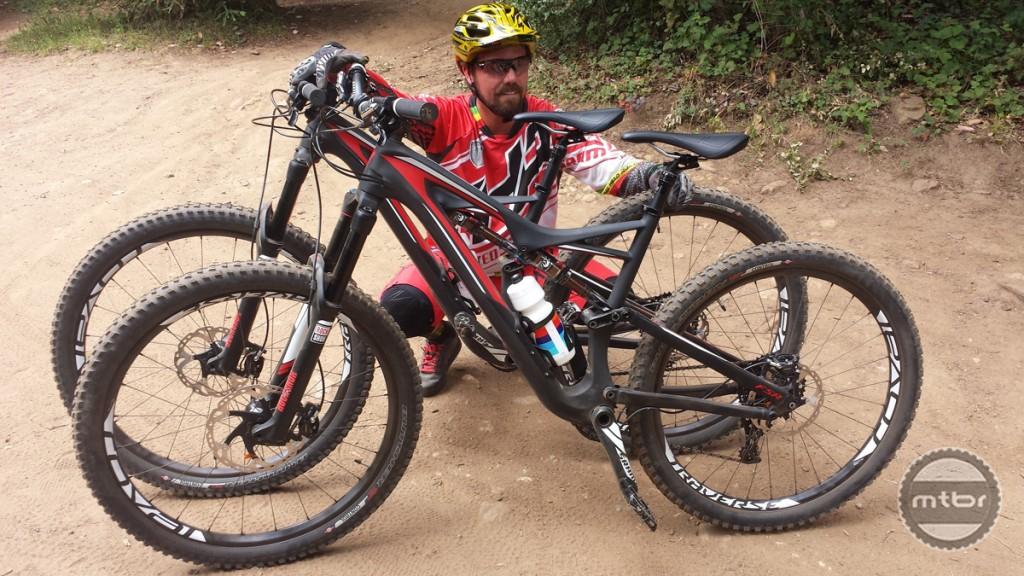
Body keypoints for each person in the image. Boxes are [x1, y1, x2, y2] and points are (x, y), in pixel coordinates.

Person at [290, 3, 691, 397]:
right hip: (458, 265)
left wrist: (650, 176)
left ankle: (550, 334)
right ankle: (442, 335)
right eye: (496, 67)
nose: (512, 77)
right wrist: (337, 65)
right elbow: (385, 98)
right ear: (467, 70)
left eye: (519, 63)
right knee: (398, 310)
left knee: (625, 309)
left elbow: (601, 161)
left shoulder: (545, 119)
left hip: (538, 263)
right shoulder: (445, 118)